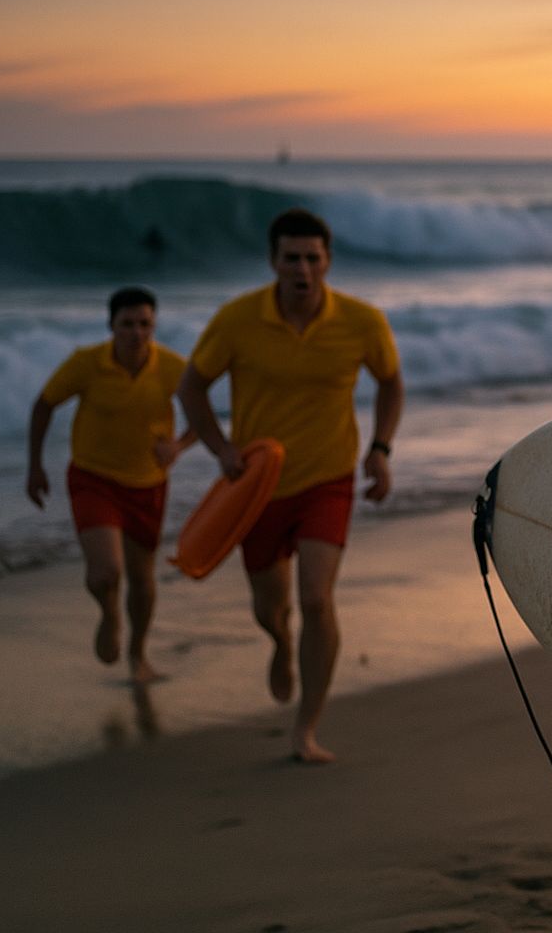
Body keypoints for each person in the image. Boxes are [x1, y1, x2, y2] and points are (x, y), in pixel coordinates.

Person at [177, 208, 404, 763]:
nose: (302, 268)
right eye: (291, 258)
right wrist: (221, 449)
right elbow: (191, 388)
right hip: (257, 487)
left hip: (328, 479)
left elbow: (390, 382)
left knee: (316, 600)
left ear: (327, 261)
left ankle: (306, 727)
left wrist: (380, 449)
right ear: (273, 261)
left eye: (311, 258)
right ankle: (280, 642)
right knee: (270, 606)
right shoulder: (237, 320)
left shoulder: (362, 321)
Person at [27, 286, 196, 684]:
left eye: (145, 324)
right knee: (105, 574)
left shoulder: (172, 367)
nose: (137, 333)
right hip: (94, 479)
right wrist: (35, 466)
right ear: (111, 326)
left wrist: (179, 445)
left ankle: (138, 653)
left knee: (142, 579)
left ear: (154, 326)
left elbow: (201, 413)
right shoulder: (87, 364)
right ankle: (109, 612)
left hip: (148, 484)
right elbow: (44, 404)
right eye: (127, 324)